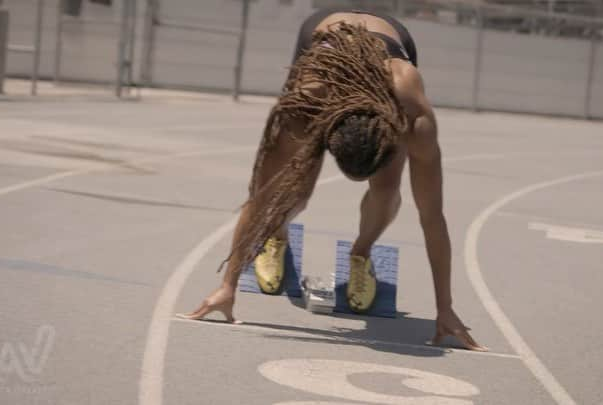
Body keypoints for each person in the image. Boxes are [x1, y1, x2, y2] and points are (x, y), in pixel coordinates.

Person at [179, 8, 486, 351]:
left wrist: (445, 309)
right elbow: (260, 194)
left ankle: (361, 254)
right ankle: (276, 236)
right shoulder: (306, 100)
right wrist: (228, 285)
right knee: (296, 189)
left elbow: (432, 215)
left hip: (391, 47)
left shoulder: (413, 111)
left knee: (386, 190)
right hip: (322, 44)